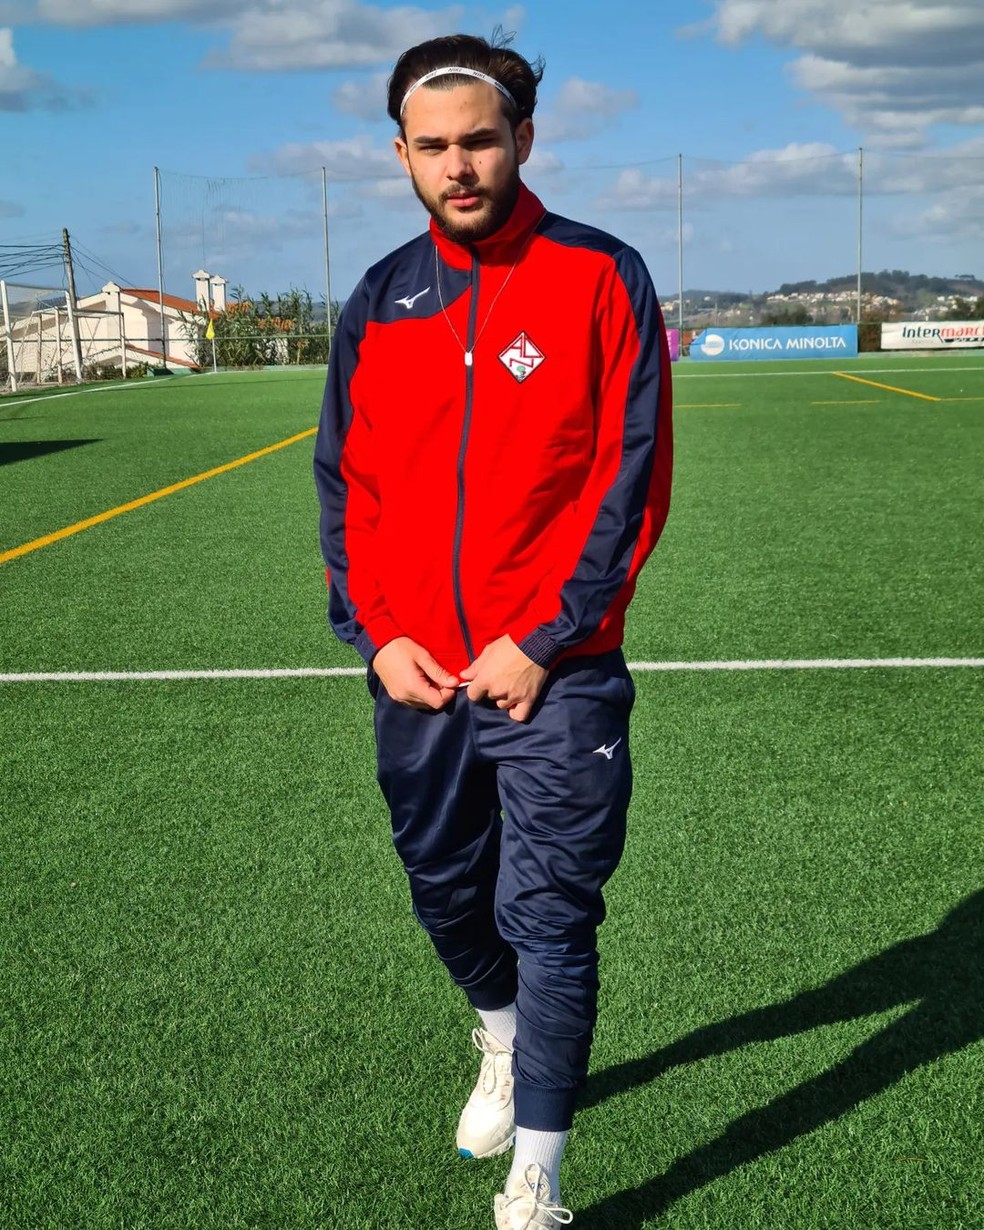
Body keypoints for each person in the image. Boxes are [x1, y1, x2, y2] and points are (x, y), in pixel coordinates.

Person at [314, 32, 673, 1229]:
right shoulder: (376, 299)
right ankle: (503, 1039)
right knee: (445, 893)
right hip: (415, 672)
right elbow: (346, 487)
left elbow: (629, 480)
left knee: (553, 914)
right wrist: (373, 636)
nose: (459, 166)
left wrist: (548, 636)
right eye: (434, 147)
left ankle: (542, 1171)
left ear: (523, 137)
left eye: (481, 139)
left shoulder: (598, 275)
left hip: (554, 671)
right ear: (402, 156)